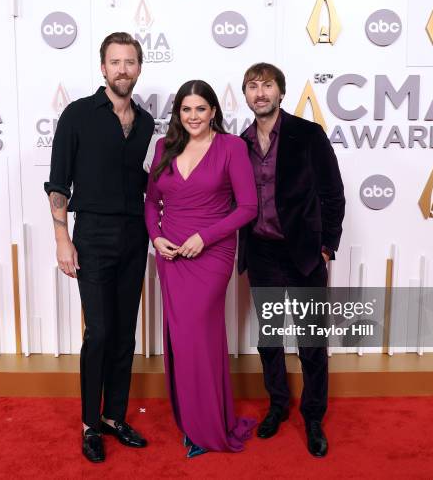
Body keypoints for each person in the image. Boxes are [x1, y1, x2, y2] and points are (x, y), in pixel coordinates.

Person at [44, 32, 155, 463]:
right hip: (90, 235)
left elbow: (147, 182)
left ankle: (115, 417)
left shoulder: (145, 123)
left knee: (125, 333)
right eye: (115, 62)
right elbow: (58, 183)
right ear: (102, 67)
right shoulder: (77, 115)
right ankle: (90, 423)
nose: (123, 69)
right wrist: (62, 240)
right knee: (100, 332)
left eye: (130, 62)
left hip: (135, 236)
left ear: (139, 68)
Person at [145, 80, 258, 458]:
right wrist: (155, 237)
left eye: (201, 109)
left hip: (211, 255)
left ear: (213, 111)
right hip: (171, 254)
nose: (193, 116)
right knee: (183, 338)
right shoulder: (165, 147)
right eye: (186, 109)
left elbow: (247, 208)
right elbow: (151, 201)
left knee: (197, 335)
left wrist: (204, 238)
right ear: (178, 113)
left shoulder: (232, 147)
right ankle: (195, 421)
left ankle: (205, 426)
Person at [238, 63, 345, 457]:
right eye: (253, 86)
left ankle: (313, 416)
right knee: (270, 338)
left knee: (311, 342)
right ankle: (278, 405)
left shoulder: (307, 134)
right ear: (246, 95)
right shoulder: (240, 142)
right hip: (262, 252)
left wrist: (326, 246)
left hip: (303, 253)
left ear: (281, 93)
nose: (260, 93)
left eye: (267, 86)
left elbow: (334, 193)